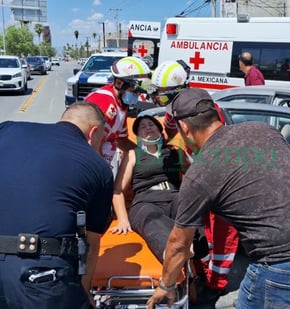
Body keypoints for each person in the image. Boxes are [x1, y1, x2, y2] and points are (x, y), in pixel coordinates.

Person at [146, 88, 290, 309]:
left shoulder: (202, 171)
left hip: (284, 271)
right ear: (215, 115)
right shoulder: (262, 129)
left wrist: (166, 285)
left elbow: (179, 243)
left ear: (184, 128)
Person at [0, 102, 114, 309]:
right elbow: (91, 240)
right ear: (94, 132)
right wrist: (84, 289)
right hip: (39, 275)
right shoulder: (98, 167)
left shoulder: (7, 129)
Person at [109, 115, 190, 263]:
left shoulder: (174, 151)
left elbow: (193, 175)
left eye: (152, 125)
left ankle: (197, 261)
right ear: (138, 135)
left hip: (173, 196)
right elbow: (118, 190)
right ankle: (172, 252)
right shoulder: (133, 155)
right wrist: (122, 219)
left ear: (160, 131)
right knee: (151, 215)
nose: (148, 127)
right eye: (143, 126)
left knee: (187, 208)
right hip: (146, 201)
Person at [84, 56, 152, 165]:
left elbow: (122, 141)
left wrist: (145, 155)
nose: (138, 95)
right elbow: (92, 143)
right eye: (134, 90)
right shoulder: (104, 102)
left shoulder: (121, 105)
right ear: (119, 83)